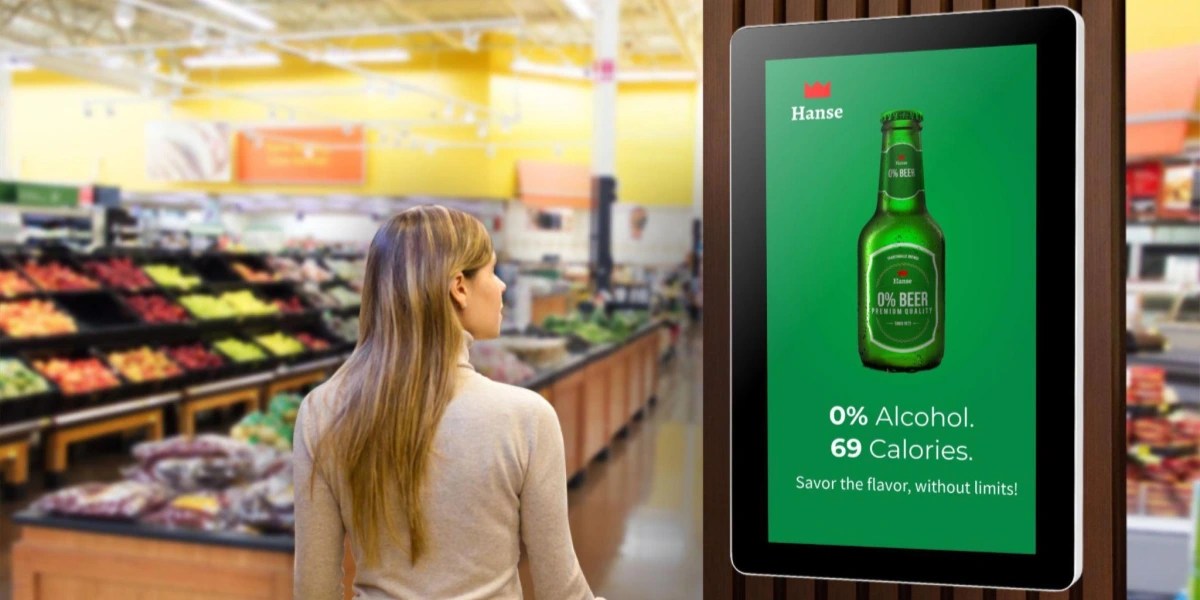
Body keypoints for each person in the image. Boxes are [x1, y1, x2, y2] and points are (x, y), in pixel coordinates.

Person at [294, 205, 599, 599]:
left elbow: (313, 590)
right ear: (459, 286)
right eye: (492, 271)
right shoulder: (524, 417)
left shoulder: (322, 411)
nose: (502, 286)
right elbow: (562, 590)